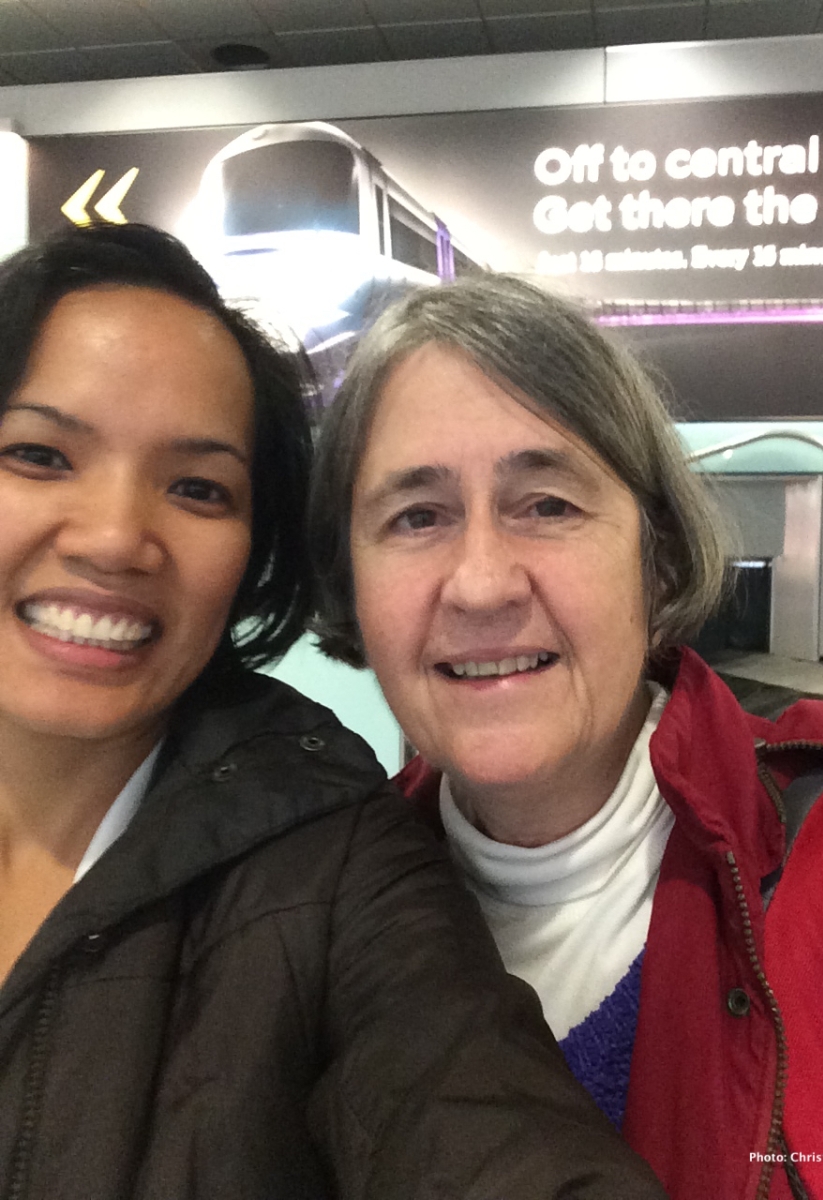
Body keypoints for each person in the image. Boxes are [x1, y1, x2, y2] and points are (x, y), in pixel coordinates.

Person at [0, 225, 667, 1200]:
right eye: (38, 454)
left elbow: (466, 1110)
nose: (113, 538)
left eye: (197, 487)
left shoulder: (332, 860)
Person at [309, 272, 823, 1200]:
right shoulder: (308, 928)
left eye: (547, 504)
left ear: (655, 559)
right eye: (417, 517)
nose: (482, 585)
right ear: (351, 585)